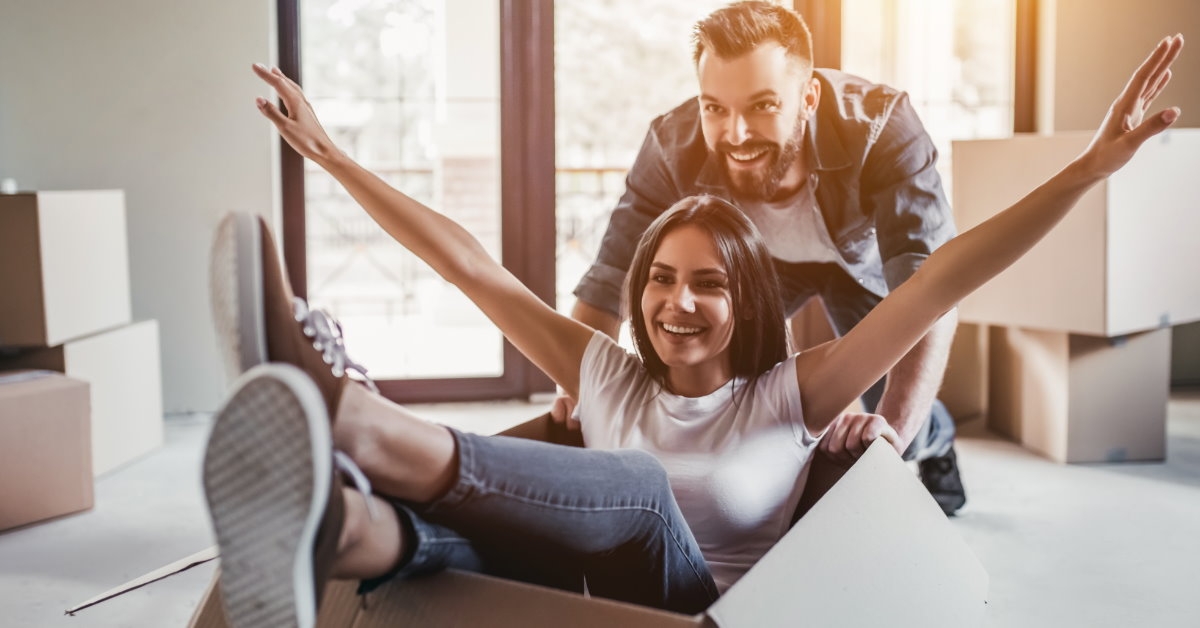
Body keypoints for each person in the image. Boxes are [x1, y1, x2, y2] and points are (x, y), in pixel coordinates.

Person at [204, 32, 1183, 628]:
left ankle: (349, 414)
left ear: (747, 299)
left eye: (708, 284)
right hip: (579, 588)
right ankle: (334, 527)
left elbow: (947, 275)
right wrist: (332, 156)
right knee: (431, 536)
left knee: (633, 487)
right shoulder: (604, 373)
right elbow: (471, 266)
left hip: (691, 603)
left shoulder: (797, 392)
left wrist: (1090, 168)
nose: (678, 301)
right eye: (662, 279)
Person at [560, 1, 965, 514]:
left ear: (809, 97)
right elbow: (610, 277)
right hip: (760, 267)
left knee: (899, 402)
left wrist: (893, 443)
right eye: (715, 108)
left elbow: (931, 288)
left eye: (763, 106)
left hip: (859, 265)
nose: (737, 133)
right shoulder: (671, 145)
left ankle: (939, 440)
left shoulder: (883, 126)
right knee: (738, 378)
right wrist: (576, 389)